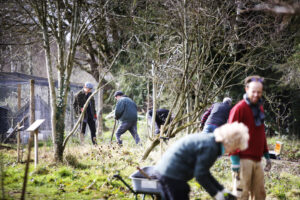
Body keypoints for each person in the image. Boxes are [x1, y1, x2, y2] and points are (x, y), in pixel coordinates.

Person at [155, 122, 249, 200]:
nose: (233, 152)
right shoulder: (211, 148)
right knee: (182, 191)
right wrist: (217, 195)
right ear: (230, 142)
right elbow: (200, 175)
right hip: (172, 174)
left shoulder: (212, 141)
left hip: (165, 171)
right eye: (235, 148)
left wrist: (222, 190)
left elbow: (204, 172)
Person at [228, 75, 271, 200]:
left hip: (257, 160)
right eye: (253, 91)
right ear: (246, 89)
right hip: (242, 160)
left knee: (260, 195)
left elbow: (261, 132)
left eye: (259, 92)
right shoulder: (239, 109)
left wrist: (266, 154)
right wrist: (234, 160)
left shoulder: (260, 108)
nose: (256, 95)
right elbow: (231, 135)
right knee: (241, 195)